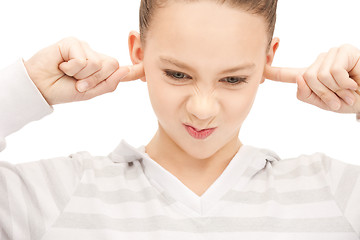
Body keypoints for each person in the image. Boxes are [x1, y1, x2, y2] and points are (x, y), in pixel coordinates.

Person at [1, 0, 360, 239]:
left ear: (268, 60)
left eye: (233, 79)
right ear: (138, 53)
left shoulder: (334, 190)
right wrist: (27, 87)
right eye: (177, 74)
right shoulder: (59, 193)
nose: (202, 110)